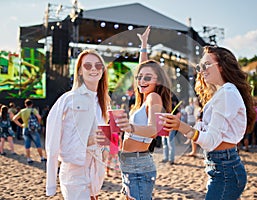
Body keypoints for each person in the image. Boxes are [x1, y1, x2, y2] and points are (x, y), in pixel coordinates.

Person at [161, 46, 256, 200]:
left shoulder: (226, 93)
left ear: (222, 66)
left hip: (225, 169)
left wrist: (180, 126)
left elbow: (211, 141)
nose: (201, 70)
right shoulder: (223, 92)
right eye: (199, 66)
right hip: (222, 167)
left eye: (206, 65)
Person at [115, 26, 172, 199]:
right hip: (129, 162)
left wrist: (129, 127)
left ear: (158, 81)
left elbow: (153, 130)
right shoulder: (143, 98)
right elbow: (143, 69)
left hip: (139, 164)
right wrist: (144, 45)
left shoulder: (153, 97)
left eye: (148, 78)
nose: (141, 80)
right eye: (139, 77)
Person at [45, 49, 110, 199]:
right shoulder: (68, 100)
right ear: (79, 71)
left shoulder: (103, 102)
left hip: (96, 170)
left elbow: (105, 135)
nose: (93, 69)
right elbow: (52, 141)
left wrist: (107, 149)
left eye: (98, 65)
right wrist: (50, 184)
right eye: (87, 66)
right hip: (74, 171)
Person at [12, 99, 46, 163]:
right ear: (31, 104)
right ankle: (42, 157)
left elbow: (14, 119)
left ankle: (29, 158)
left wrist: (21, 125)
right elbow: (39, 117)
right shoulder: (33, 110)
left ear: (25, 104)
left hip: (25, 128)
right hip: (33, 129)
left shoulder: (22, 111)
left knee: (27, 145)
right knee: (38, 144)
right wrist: (38, 124)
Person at [161, 94, 180, 165]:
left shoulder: (171, 105)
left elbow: (178, 114)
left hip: (170, 126)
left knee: (170, 142)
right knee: (164, 142)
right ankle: (165, 158)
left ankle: (171, 159)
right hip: (163, 126)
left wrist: (172, 120)